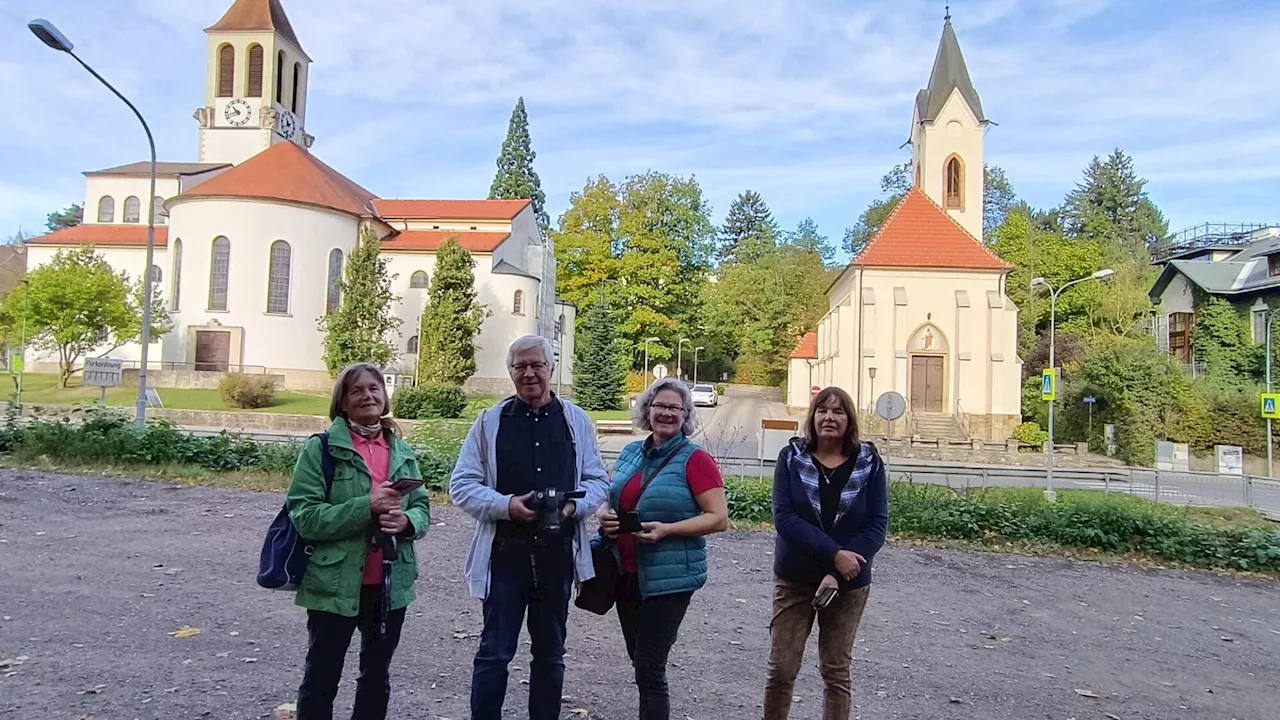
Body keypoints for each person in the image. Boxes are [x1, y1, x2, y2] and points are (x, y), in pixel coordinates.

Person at [450, 335, 610, 720]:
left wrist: (574, 506)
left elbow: (598, 480)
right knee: (494, 653)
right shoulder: (489, 423)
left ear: (551, 370)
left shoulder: (576, 421)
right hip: (505, 555)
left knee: (551, 655)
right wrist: (506, 506)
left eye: (537, 365)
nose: (529, 373)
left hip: (557, 557)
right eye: (520, 366)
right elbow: (461, 484)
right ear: (510, 372)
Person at [286, 362, 431, 720]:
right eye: (357, 390)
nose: (368, 395)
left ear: (385, 397)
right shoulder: (320, 450)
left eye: (374, 389)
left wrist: (407, 522)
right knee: (321, 677)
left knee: (376, 677)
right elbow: (305, 516)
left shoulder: (401, 451)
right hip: (333, 583)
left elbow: (423, 508)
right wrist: (366, 506)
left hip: (389, 583)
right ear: (342, 402)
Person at [597, 377, 729, 720]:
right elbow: (608, 498)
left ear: (686, 415)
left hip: (669, 579)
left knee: (650, 668)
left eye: (675, 408)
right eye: (660, 406)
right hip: (626, 573)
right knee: (639, 661)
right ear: (647, 411)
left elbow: (718, 518)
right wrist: (603, 516)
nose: (667, 413)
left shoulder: (696, 460)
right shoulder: (629, 453)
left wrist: (667, 530)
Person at [762, 386, 888, 720]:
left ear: (849, 420)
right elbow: (785, 519)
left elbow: (876, 525)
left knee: (836, 671)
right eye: (822, 410)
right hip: (795, 579)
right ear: (812, 416)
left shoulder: (869, 462)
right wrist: (835, 554)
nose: (829, 417)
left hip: (848, 583)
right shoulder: (792, 458)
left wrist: (838, 570)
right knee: (781, 670)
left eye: (838, 411)